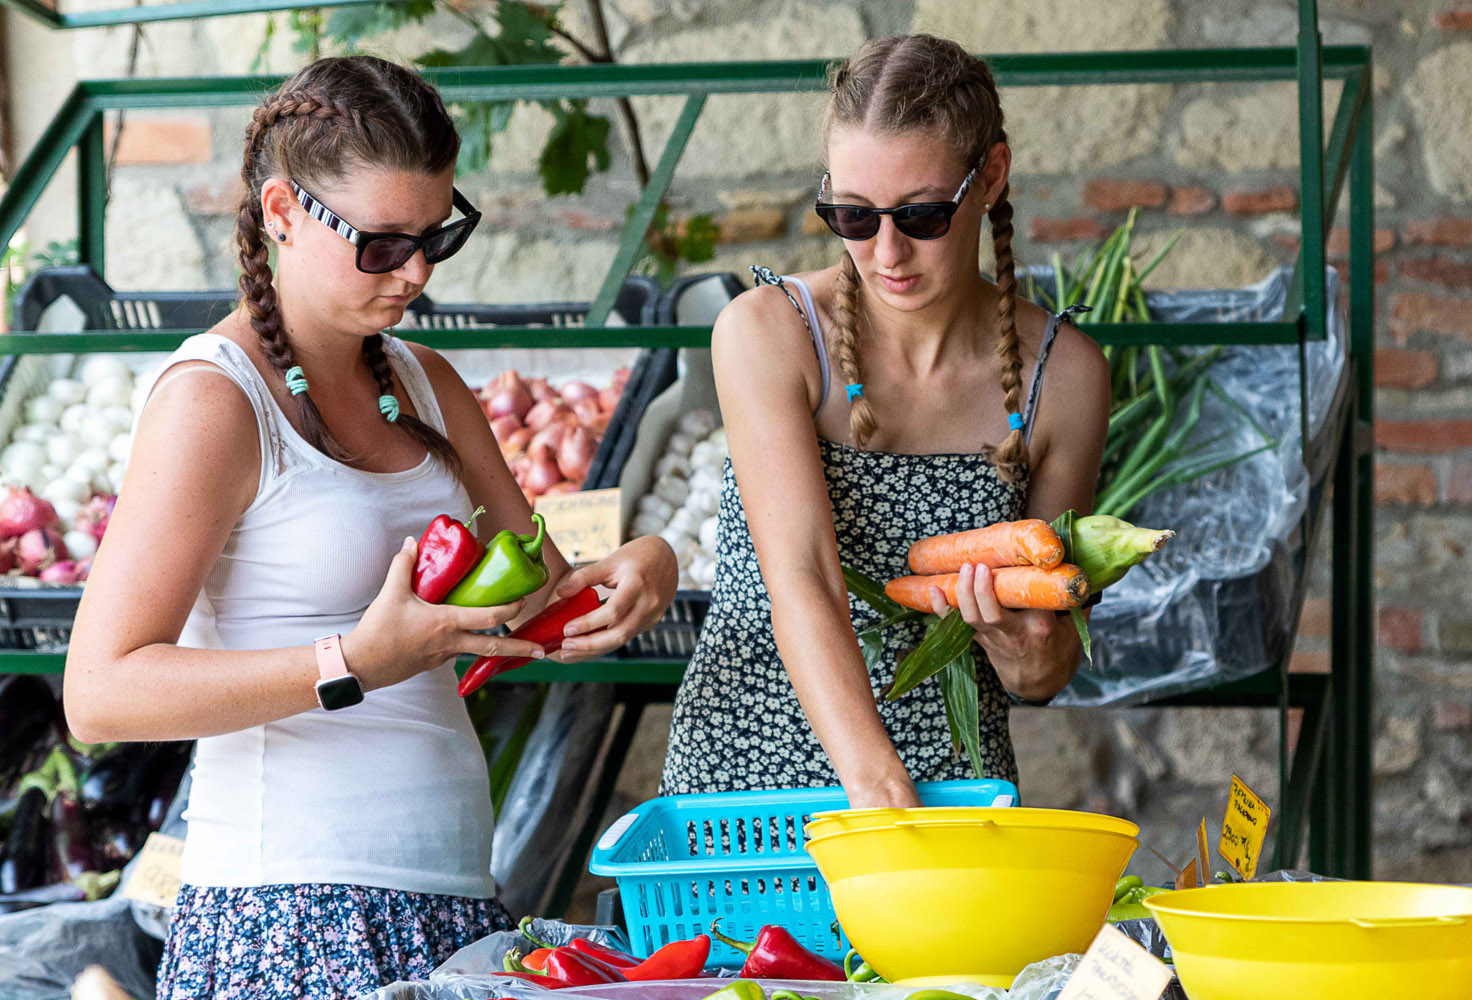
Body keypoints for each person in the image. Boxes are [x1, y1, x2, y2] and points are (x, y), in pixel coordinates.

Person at [62, 55, 677, 999]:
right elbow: (100, 692)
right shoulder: (216, 401)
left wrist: (644, 565)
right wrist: (353, 661)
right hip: (289, 914)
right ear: (281, 213)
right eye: (383, 243)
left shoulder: (427, 382)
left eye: (438, 236)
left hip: (456, 897)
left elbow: (538, 607)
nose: (419, 271)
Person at [660, 35, 1110, 808]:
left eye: (923, 214)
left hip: (954, 793)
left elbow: (1043, 672)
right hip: (745, 790)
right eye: (853, 216)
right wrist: (874, 785)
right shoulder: (770, 333)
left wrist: (1021, 642)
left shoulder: (1062, 377)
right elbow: (802, 575)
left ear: (991, 176)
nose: (887, 252)